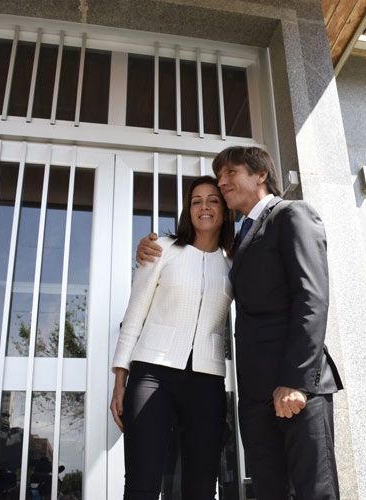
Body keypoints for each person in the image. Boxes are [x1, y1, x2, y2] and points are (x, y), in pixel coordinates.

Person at [137, 146, 343, 499]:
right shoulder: (241, 240)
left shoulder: (292, 215)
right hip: (256, 397)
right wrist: (149, 249)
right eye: (220, 176)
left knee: (314, 492)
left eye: (230, 173)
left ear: (260, 174)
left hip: (295, 388)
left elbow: (312, 299)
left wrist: (295, 380)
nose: (223, 182)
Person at [111, 175, 235, 500]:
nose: (204, 207)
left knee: (202, 486)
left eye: (213, 200)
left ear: (224, 210)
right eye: (196, 201)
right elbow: (134, 314)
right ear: (187, 209)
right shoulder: (162, 249)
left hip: (207, 382)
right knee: (142, 482)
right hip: (152, 374)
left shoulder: (233, 264)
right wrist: (120, 379)